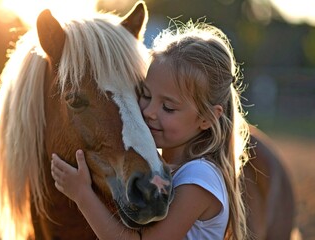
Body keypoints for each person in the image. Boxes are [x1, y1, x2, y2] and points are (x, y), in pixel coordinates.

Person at [51, 20, 250, 240]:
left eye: (168, 107)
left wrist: (82, 195)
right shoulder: (171, 168)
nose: (149, 112)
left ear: (207, 118)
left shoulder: (200, 178)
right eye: (144, 95)